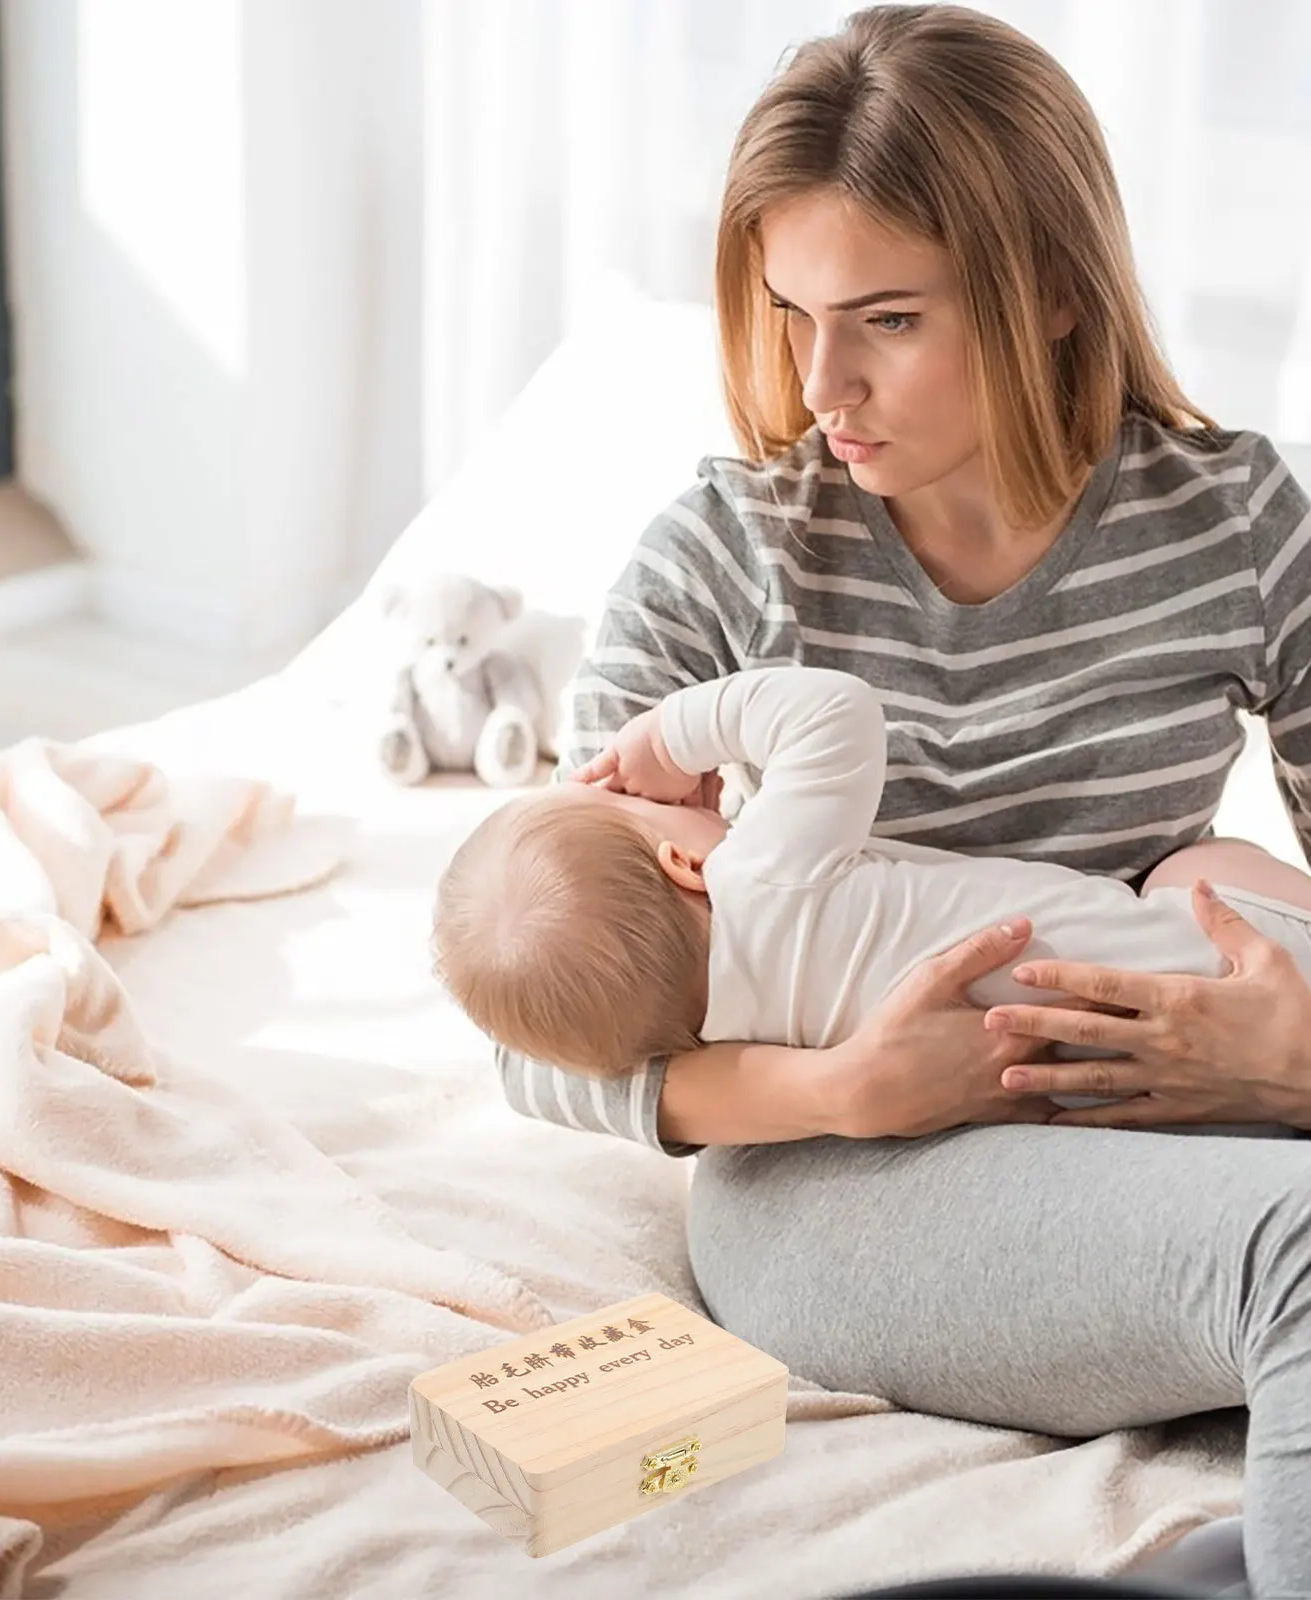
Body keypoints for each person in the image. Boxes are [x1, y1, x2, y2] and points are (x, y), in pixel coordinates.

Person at [490, 6, 1311, 1596]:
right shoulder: (729, 556)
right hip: (845, 1175)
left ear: (1053, 288)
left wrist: (1291, 1053)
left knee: (1216, 883)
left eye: (886, 319)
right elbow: (543, 1025)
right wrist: (850, 1086)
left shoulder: (1237, 528)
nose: (823, 384)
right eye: (792, 313)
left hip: (1171, 1089)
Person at [435, 664, 1311, 1087]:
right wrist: (669, 737)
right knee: (1198, 863)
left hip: (1114, 1090)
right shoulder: (764, 873)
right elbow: (834, 711)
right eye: (633, 806)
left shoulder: (735, 1042)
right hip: (1245, 967)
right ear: (685, 863)